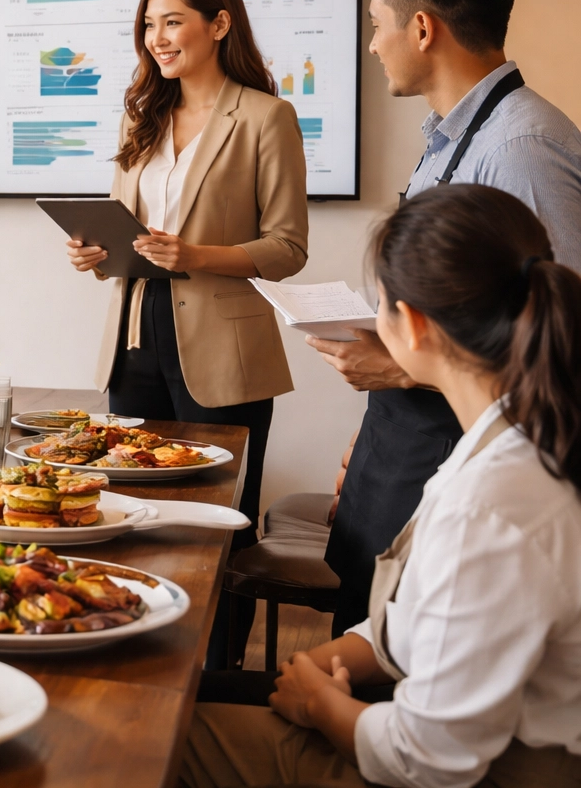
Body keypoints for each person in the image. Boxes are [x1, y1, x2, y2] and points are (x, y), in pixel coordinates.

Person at [181, 183, 581, 788]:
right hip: (446, 732)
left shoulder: (491, 504)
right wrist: (322, 663)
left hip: (474, 771)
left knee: (164, 731)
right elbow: (433, 617)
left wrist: (320, 703)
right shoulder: (516, 434)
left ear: (412, 326)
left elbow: (425, 760)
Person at [310, 0, 581, 636]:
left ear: (422, 28)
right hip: (402, 444)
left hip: (452, 455)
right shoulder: (450, 140)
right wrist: (364, 442)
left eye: (377, 26)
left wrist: (398, 371)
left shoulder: (524, 150)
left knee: (392, 681)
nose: (373, 45)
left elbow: (559, 348)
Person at [65, 0, 308, 665]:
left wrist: (196, 255)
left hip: (224, 350)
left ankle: (219, 670)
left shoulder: (266, 116)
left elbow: (287, 247)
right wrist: (97, 256)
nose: (157, 38)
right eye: (149, 25)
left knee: (221, 520)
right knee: (133, 512)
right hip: (136, 334)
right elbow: (129, 238)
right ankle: (139, 647)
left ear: (219, 23)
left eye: (172, 21)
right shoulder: (142, 117)